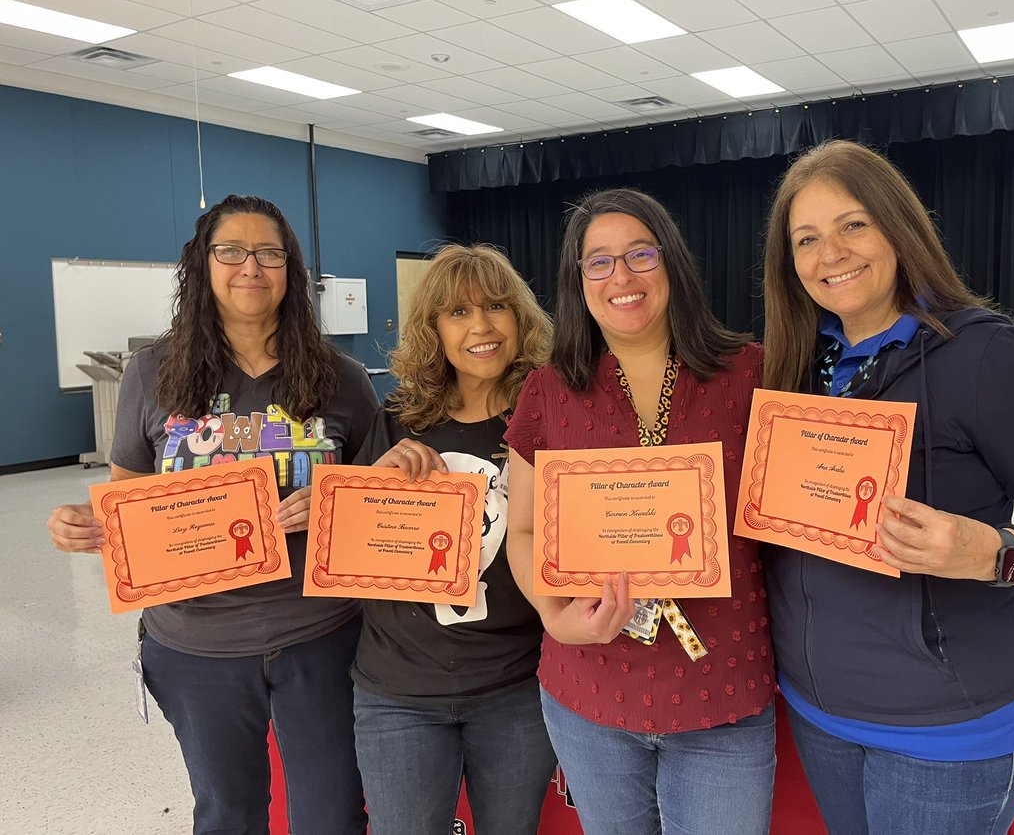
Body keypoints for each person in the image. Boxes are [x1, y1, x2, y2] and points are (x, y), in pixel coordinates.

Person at [759, 140, 1014, 834]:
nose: (830, 252)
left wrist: (994, 552)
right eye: (806, 239)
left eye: (853, 225)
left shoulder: (986, 354)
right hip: (817, 713)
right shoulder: (794, 366)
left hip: (944, 732)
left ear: (899, 226)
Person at [46, 194, 378, 835]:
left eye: (270, 253)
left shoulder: (342, 376)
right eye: (231, 251)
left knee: (333, 815)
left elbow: (374, 497)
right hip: (195, 646)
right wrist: (85, 527)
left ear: (292, 268)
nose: (251, 267)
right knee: (228, 814)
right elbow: (129, 500)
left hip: (323, 637)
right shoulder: (153, 372)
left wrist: (335, 506)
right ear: (202, 265)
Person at [505, 189, 777, 835]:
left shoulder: (750, 373)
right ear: (578, 281)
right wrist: (556, 617)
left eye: (639, 254)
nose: (620, 277)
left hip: (723, 688)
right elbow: (523, 529)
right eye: (597, 262)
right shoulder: (549, 391)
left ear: (672, 262)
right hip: (589, 689)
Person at [349, 244, 558, 835]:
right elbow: (351, 552)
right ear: (433, 330)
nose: (482, 326)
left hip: (516, 686)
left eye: (496, 306)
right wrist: (376, 484)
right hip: (399, 689)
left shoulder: (551, 417)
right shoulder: (397, 419)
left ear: (521, 318)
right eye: (458, 313)